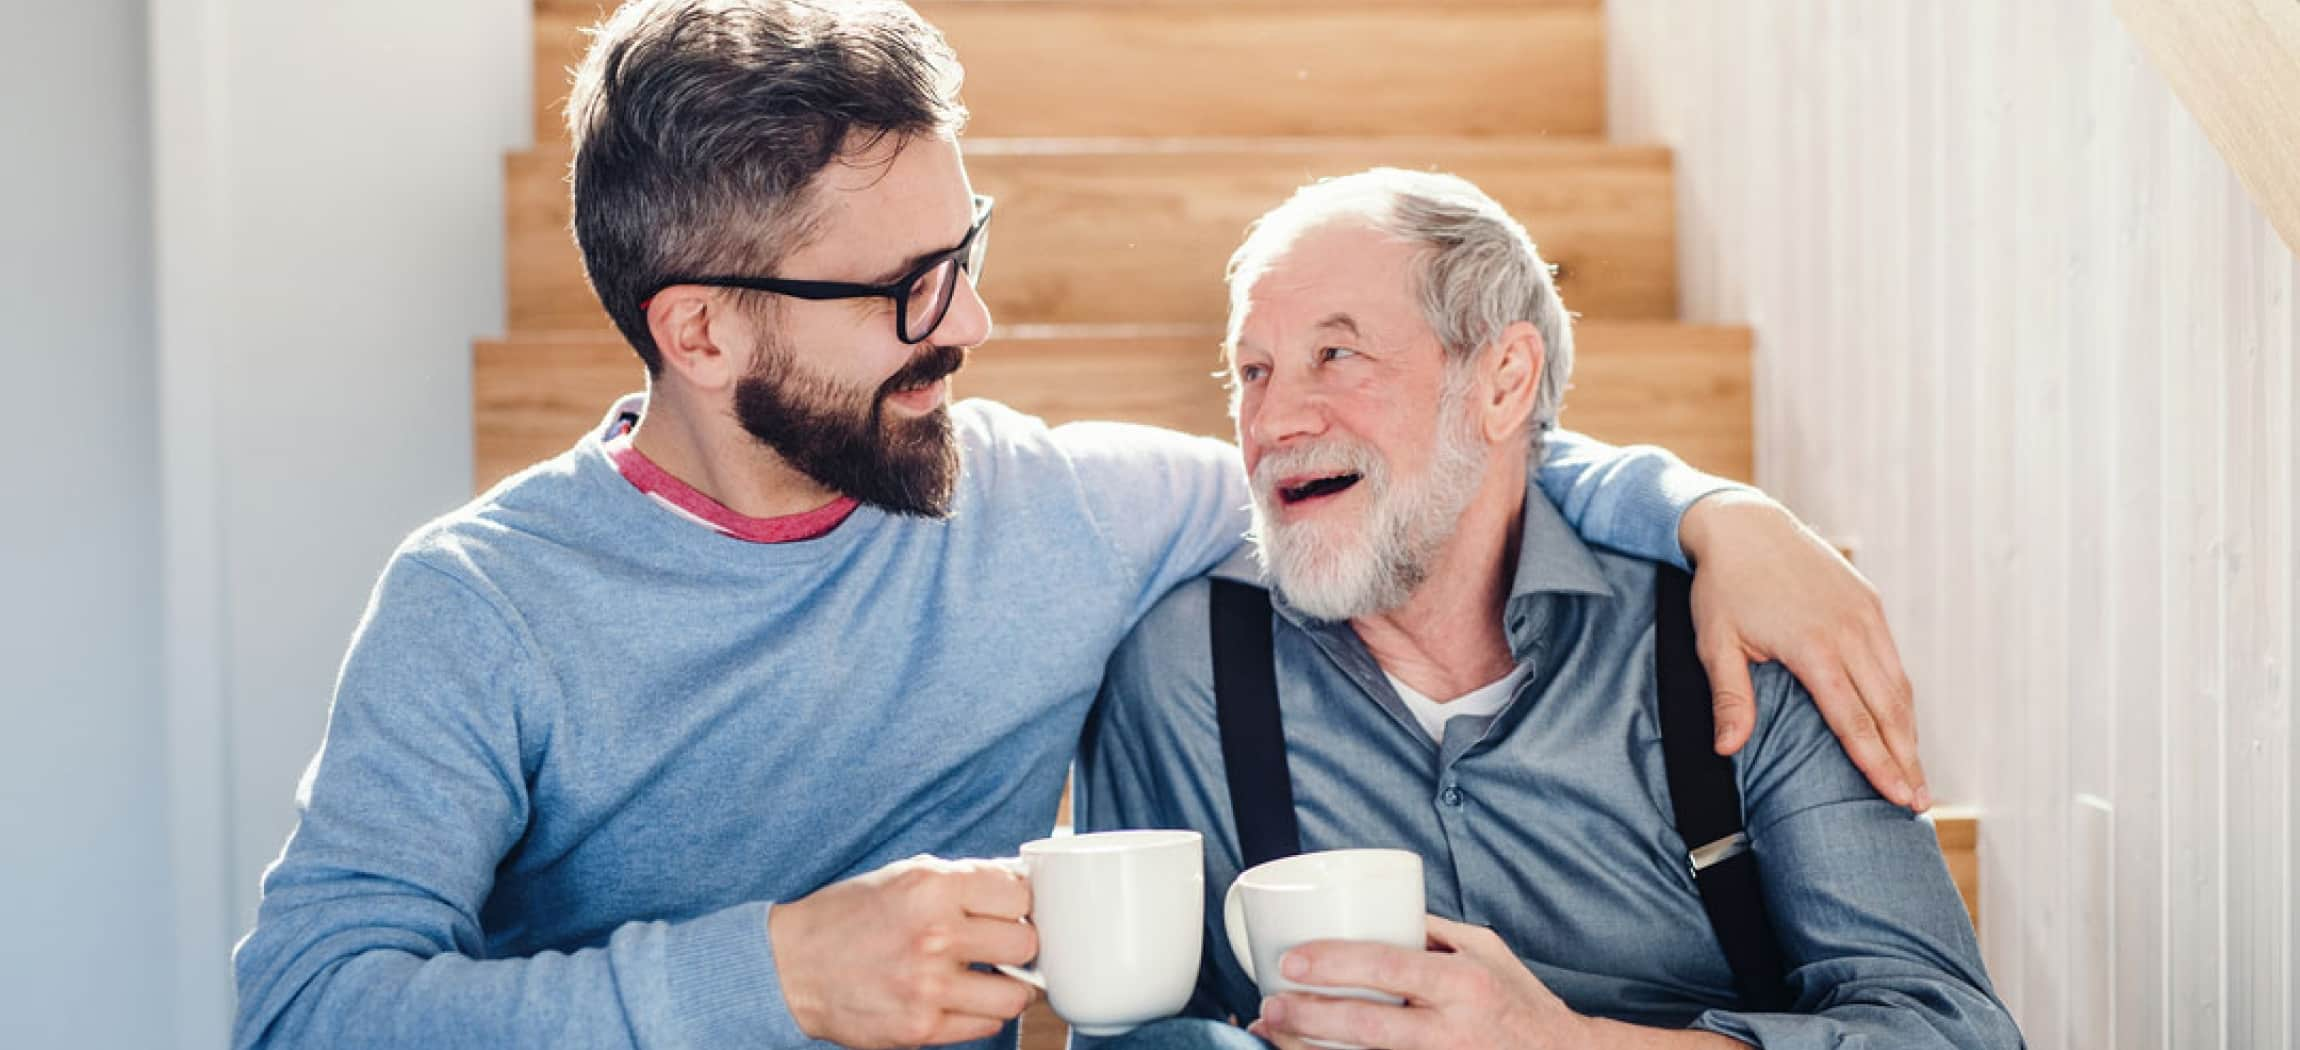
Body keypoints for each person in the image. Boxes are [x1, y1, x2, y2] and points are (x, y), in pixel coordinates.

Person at [230, 4, 1927, 1049]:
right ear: (701, 333)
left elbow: (1421, 462)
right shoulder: (485, 608)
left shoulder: (1053, 508)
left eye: (961, 248)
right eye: (904, 292)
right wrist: (773, 981)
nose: (968, 328)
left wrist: (1708, 507)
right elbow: (306, 1013)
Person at [1077, 169, 2020, 1049]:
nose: (1277, 420)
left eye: (1337, 354)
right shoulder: (1182, 674)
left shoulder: (1738, 642)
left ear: (1501, 382)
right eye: (1252, 372)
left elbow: (1950, 1030)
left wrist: (1564, 1043)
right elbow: (1139, 1027)